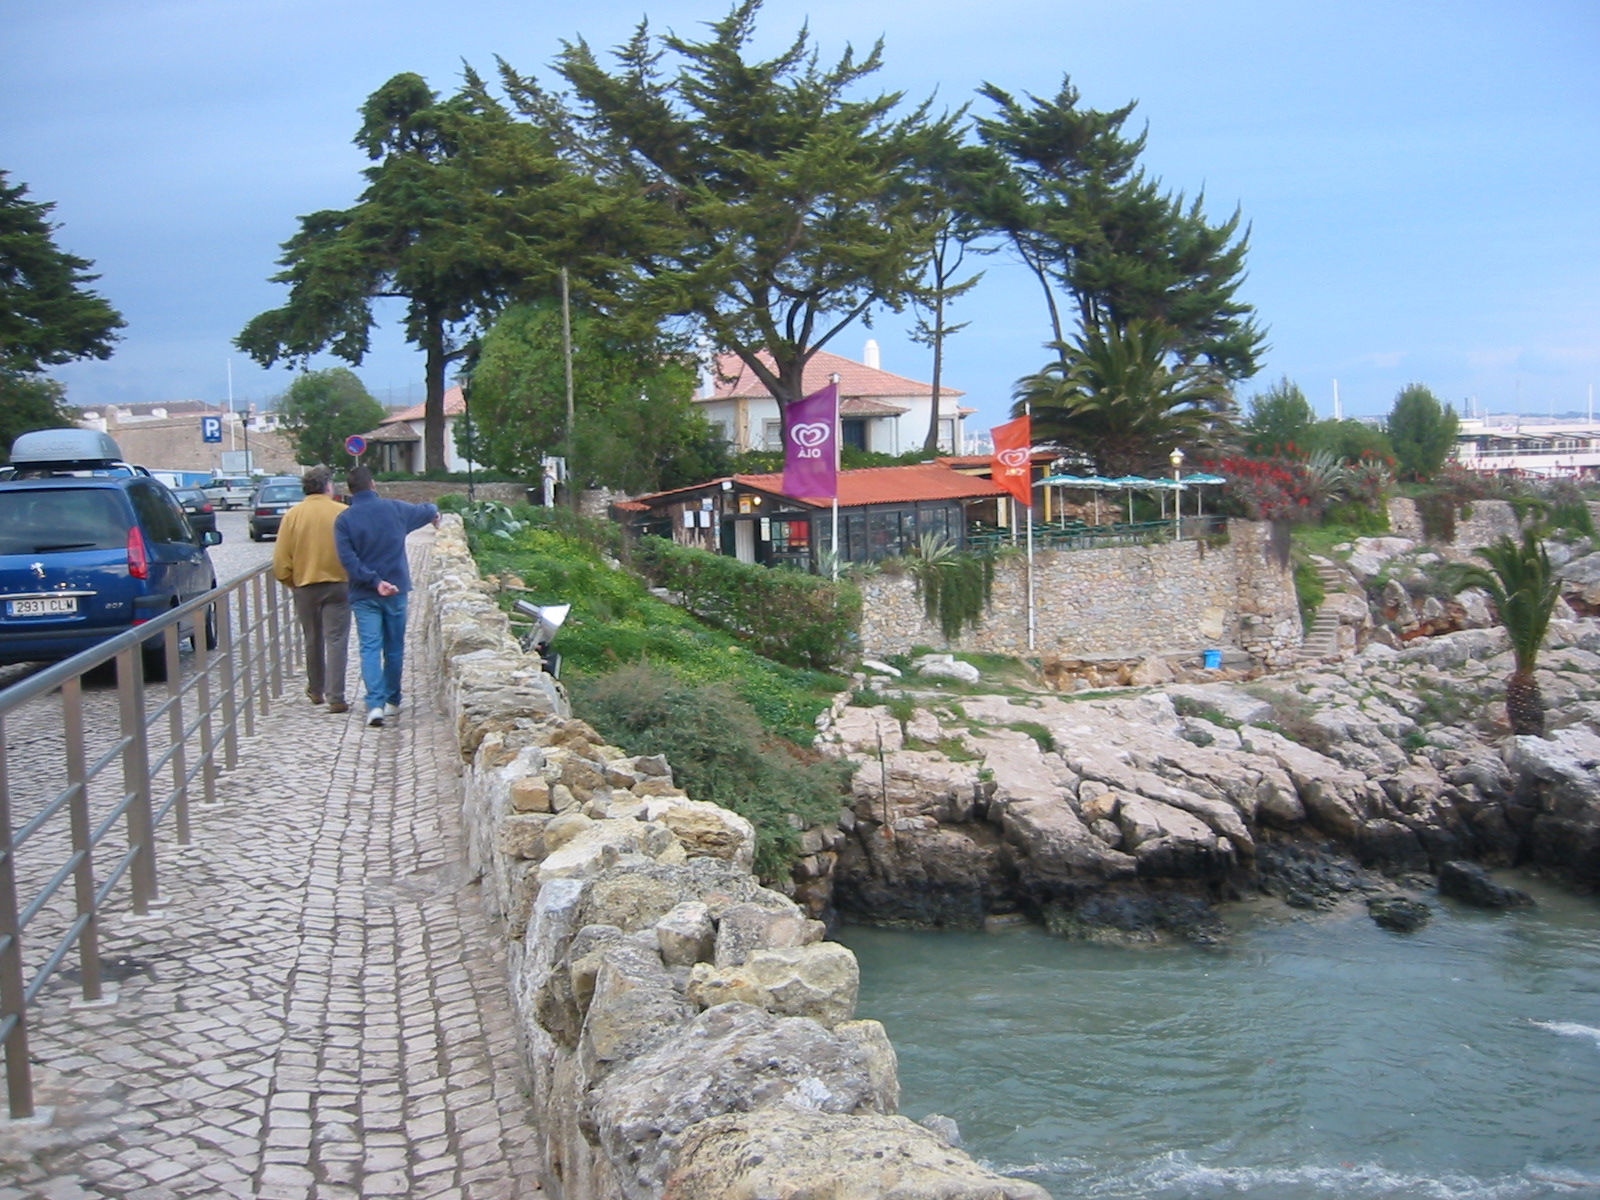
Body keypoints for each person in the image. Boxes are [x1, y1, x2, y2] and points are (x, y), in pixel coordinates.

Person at [334, 466, 440, 728]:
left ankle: (375, 704)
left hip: (364, 592)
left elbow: (348, 559)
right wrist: (435, 513)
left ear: (350, 490)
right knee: (393, 648)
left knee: (370, 648)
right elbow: (426, 509)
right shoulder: (395, 509)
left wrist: (373, 581)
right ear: (373, 484)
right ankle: (393, 700)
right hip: (396, 589)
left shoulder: (344, 520)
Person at [272, 466, 351, 714]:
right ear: (328, 486)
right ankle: (336, 695)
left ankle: (316, 689)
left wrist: (290, 581)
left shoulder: (293, 516)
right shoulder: (343, 513)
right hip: (339, 583)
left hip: (305, 584)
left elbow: (281, 560)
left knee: (312, 638)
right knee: (336, 639)